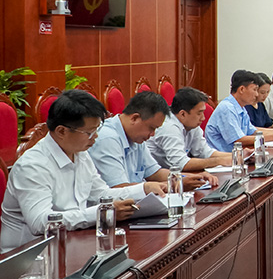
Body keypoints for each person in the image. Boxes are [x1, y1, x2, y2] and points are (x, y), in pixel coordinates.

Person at [0, 91, 165, 253]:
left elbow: (101, 194)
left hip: (71, 241)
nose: (95, 137)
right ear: (62, 131)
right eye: (89, 132)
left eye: (97, 129)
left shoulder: (80, 154)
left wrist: (144, 189)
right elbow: (41, 222)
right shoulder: (32, 166)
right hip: (31, 255)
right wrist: (100, 213)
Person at [89, 91, 216, 191]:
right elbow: (118, 188)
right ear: (135, 118)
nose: (153, 134)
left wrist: (191, 177)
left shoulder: (135, 137)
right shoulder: (108, 139)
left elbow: (155, 173)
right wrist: (171, 185)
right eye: (151, 128)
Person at [148, 87, 232, 172]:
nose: (203, 118)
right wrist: (218, 161)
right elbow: (181, 164)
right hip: (158, 176)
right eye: (199, 113)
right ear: (183, 114)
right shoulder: (169, 127)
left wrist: (235, 156)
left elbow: (204, 152)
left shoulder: (191, 125)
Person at [206, 69, 273, 151]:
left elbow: (253, 131)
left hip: (237, 154)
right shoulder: (227, 108)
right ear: (242, 89)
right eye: (254, 90)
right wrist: (272, 137)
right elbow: (238, 140)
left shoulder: (241, 108)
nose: (256, 94)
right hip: (224, 157)